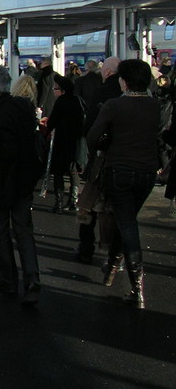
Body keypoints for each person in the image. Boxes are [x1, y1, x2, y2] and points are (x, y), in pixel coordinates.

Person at [86, 59, 160, 308]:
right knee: (125, 219)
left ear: (124, 81)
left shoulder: (114, 105)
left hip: (119, 170)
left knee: (127, 225)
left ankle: (137, 287)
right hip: (147, 173)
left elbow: (93, 137)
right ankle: (111, 267)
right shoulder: (155, 105)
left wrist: (106, 145)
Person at [0, 64, 43, 305]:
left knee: (1, 230)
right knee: (24, 231)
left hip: (2, 180)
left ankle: (8, 279)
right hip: (24, 180)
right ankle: (32, 279)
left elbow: (3, 150)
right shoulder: (21, 107)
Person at [75, 56, 122, 263]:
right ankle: (114, 255)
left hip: (101, 160)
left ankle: (86, 249)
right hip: (125, 162)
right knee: (117, 209)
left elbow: (90, 129)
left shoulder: (102, 94)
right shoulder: (138, 97)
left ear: (108, 72)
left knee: (89, 204)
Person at [43, 75, 85, 212]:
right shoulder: (78, 101)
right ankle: (74, 200)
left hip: (61, 141)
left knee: (59, 172)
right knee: (73, 172)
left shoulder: (61, 102)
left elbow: (52, 122)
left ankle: (59, 202)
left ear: (62, 91)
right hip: (76, 142)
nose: (54, 91)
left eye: (56, 88)